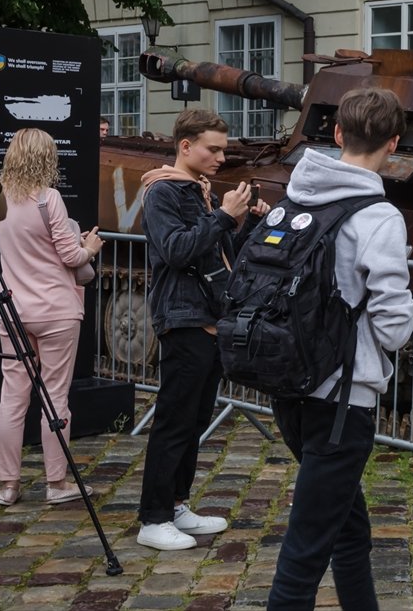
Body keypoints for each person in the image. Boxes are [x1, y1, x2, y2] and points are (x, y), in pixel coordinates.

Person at [267, 88, 413, 609]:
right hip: (341, 402)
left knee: (348, 531)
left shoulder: (296, 198)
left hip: (290, 386)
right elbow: (395, 328)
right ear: (394, 143)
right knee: (304, 554)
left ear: (335, 135)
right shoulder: (378, 217)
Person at [136, 110, 268, 550]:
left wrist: (245, 221)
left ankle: (176, 505)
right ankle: (152, 519)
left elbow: (222, 253)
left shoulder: (202, 192)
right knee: (174, 422)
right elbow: (175, 251)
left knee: (194, 419)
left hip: (209, 319)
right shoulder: (162, 191)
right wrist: (224, 217)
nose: (221, 156)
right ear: (186, 146)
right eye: (213, 148)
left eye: (224, 149)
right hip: (183, 319)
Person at [0, 129, 103, 507]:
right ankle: (57, 484)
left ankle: (8, 485)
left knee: (12, 399)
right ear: (47, 158)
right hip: (55, 310)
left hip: (11, 310)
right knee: (55, 398)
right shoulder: (48, 198)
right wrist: (89, 246)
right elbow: (71, 258)